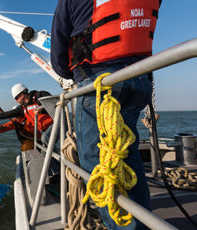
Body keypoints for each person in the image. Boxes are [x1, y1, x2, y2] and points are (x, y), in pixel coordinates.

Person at [50, 0, 161, 229]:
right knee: (127, 154)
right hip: (139, 81)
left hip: (100, 85)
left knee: (99, 164)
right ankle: (144, 224)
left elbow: (59, 53)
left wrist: (72, 73)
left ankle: (121, 225)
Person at [0, 83, 57, 151]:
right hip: (42, 133)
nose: (16, 101)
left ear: (21, 95)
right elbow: (6, 115)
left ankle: (53, 164)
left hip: (55, 125)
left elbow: (56, 104)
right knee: (44, 144)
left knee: (45, 139)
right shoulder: (23, 109)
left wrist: (42, 109)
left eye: (16, 98)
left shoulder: (39, 96)